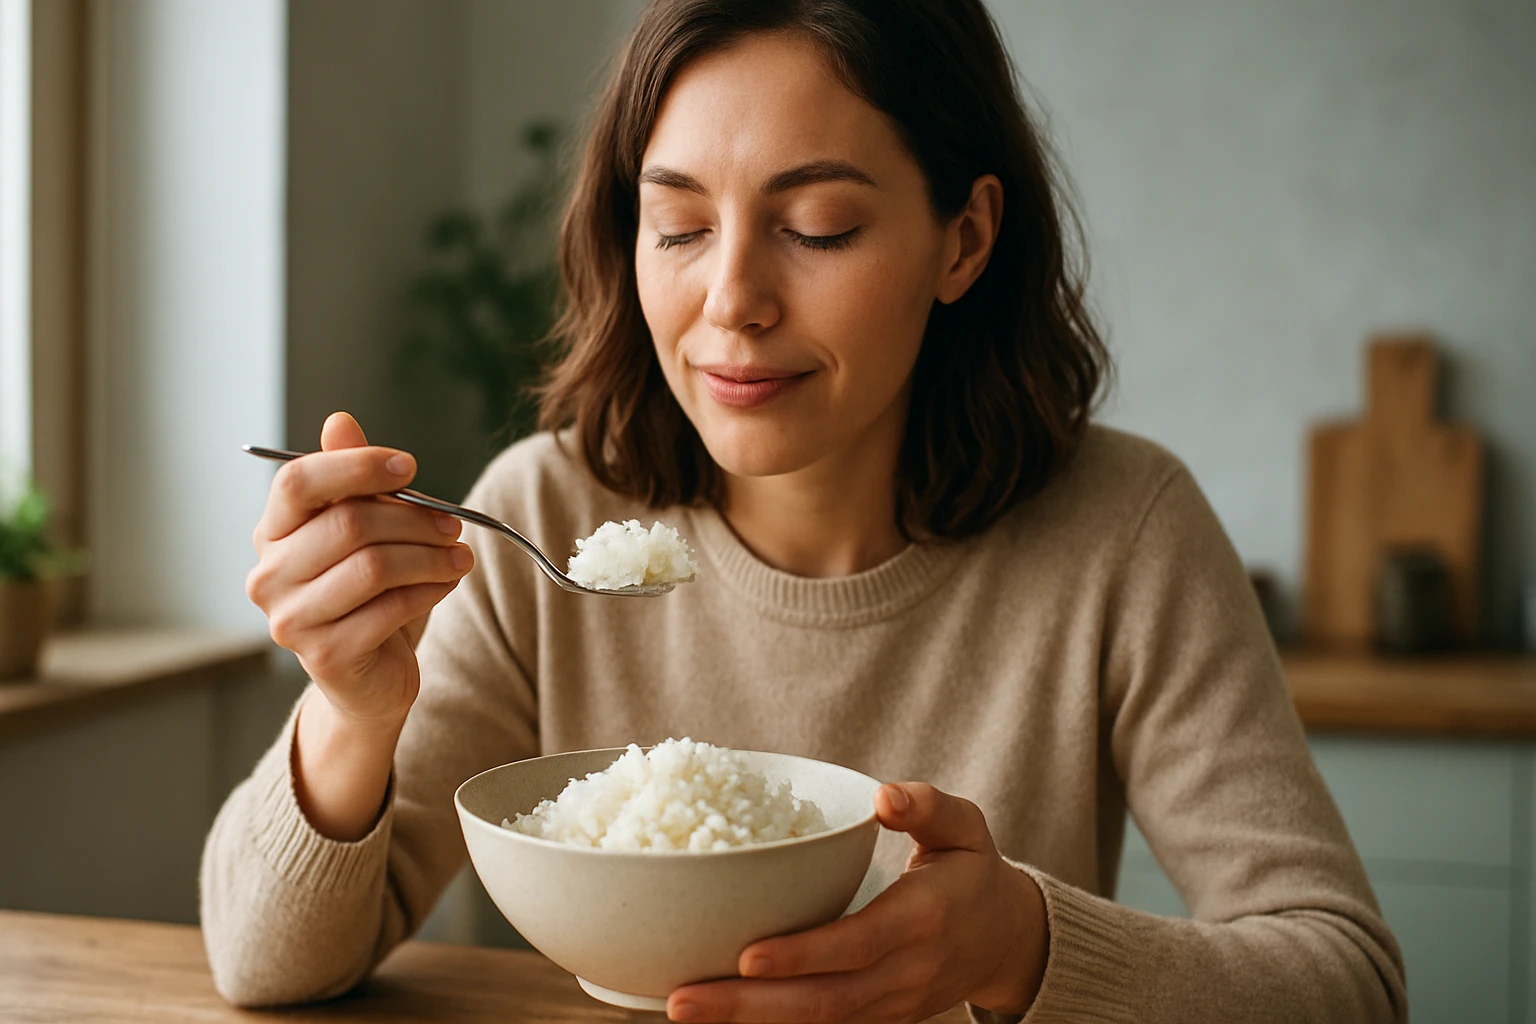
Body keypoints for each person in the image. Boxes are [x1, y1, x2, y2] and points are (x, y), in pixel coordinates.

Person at [201, 1, 1407, 1021]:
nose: (731, 301)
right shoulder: (541, 514)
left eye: (816, 227)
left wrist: (1022, 945)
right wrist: (351, 714)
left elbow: (1347, 977)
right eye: (676, 224)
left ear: (964, 238)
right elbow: (263, 967)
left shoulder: (1123, 530)